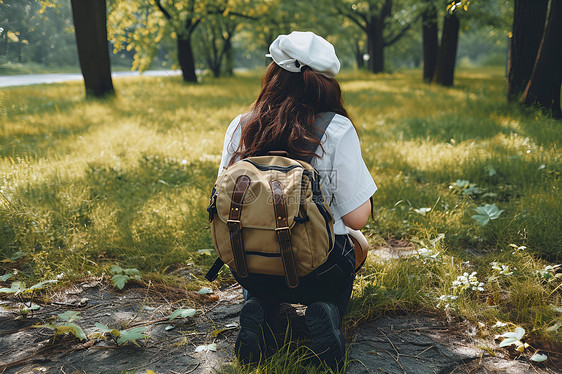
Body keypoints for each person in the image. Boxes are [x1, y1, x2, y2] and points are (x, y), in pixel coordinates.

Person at [216, 31, 377, 369]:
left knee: (263, 264)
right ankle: (325, 310)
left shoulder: (242, 126)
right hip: (318, 270)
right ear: (325, 83)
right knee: (357, 242)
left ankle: (261, 308)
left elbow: (222, 197)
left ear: (272, 73)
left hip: (249, 264)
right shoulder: (335, 129)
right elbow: (357, 219)